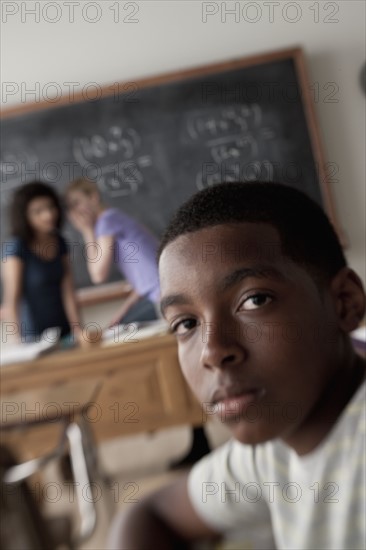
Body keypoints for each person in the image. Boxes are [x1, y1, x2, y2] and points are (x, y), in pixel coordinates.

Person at [108, 181, 366, 550]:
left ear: (344, 303)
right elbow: (151, 512)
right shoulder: (273, 445)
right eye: (186, 324)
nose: (212, 351)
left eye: (255, 300)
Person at [65, 178, 160, 327]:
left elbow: (98, 276)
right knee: (119, 323)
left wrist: (87, 231)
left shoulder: (107, 221)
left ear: (93, 197)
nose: (75, 212)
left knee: (118, 333)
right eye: (71, 207)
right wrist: (124, 310)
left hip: (160, 297)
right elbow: (146, 278)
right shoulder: (116, 217)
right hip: (158, 292)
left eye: (77, 203)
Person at [1, 181, 82, 344]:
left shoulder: (60, 242)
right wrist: (17, 344)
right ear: (25, 216)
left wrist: (78, 330)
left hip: (65, 332)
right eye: (38, 211)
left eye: (51, 207)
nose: (48, 215)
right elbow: (12, 300)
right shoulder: (15, 247)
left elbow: (68, 291)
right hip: (34, 337)